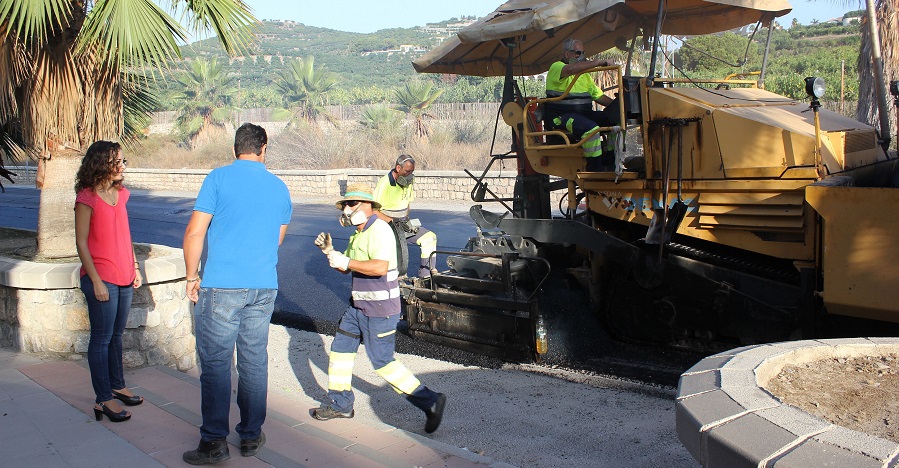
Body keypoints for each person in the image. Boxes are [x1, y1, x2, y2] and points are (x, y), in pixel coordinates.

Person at [182, 123, 292, 465]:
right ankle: (250, 436)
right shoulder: (279, 187)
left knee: (216, 364)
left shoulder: (217, 179)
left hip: (222, 284)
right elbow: (277, 239)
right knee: (254, 360)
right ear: (264, 148)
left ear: (234, 149)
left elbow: (194, 232)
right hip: (263, 286)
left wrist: (191, 276)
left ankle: (213, 441)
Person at [311, 183, 447, 433]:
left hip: (380, 310)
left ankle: (430, 401)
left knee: (383, 361)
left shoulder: (380, 230)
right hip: (357, 307)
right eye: (346, 205)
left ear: (368, 206)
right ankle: (341, 404)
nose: (348, 209)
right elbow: (346, 267)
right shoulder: (358, 234)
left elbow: (380, 267)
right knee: (340, 351)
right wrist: (330, 252)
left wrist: (347, 260)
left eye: (352, 204)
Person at [74, 140, 144, 423]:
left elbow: (125, 233)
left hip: (125, 275)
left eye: (123, 161)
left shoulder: (121, 194)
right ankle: (103, 398)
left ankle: (117, 385)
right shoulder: (86, 198)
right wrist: (96, 281)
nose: (123, 166)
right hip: (101, 278)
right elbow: (81, 243)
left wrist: (135, 266)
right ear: (103, 163)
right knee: (101, 339)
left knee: (116, 336)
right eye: (119, 161)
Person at [544, 38, 620, 172]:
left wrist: (619, 105)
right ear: (567, 54)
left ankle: (611, 161)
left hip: (584, 114)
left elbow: (599, 96)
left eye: (583, 53)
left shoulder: (584, 76)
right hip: (561, 117)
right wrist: (597, 62)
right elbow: (571, 68)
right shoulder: (557, 67)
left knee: (616, 122)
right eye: (578, 53)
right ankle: (595, 169)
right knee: (591, 129)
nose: (581, 56)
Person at [373, 154, 437, 278]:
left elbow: (407, 204)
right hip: (387, 225)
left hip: (403, 223)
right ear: (398, 168)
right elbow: (374, 211)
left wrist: (406, 222)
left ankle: (426, 276)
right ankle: (397, 281)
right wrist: (391, 221)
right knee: (397, 258)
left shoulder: (408, 181)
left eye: (412, 171)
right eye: (407, 171)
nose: (410, 174)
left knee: (429, 238)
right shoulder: (385, 183)